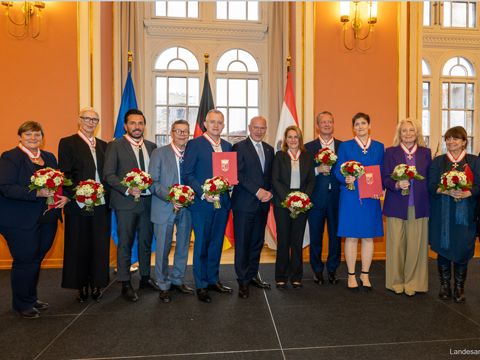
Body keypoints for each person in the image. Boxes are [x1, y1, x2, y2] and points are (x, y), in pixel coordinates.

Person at [0, 121, 69, 318]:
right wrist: (36, 193)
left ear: (42, 137)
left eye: (37, 135)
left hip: (47, 217)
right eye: (28, 134)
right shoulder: (10, 157)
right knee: (25, 260)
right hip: (19, 220)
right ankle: (21, 304)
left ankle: (31, 297)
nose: (33, 138)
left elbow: (57, 183)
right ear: (20, 136)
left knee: (36, 259)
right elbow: (5, 187)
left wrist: (62, 196)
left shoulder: (48, 157)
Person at [104, 109, 157, 302]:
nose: (137, 127)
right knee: (125, 242)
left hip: (148, 202)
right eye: (133, 123)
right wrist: (127, 189)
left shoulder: (152, 147)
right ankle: (125, 282)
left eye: (140, 123)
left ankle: (145, 278)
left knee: (145, 241)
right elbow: (109, 175)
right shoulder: (115, 146)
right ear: (126, 126)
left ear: (144, 125)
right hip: (125, 203)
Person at [58, 108, 111, 303]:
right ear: (79, 120)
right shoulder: (68, 143)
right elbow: (65, 174)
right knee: (78, 245)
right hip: (78, 204)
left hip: (101, 204)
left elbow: (108, 174)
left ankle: (97, 283)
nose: (91, 122)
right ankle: (80, 285)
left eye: (95, 119)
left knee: (99, 245)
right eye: (87, 118)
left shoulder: (105, 146)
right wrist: (79, 194)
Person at [182, 109, 233, 303]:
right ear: (205, 123)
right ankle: (201, 284)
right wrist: (204, 192)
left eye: (220, 122)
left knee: (216, 243)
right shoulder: (195, 144)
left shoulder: (228, 146)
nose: (216, 125)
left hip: (222, 203)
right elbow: (188, 174)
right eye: (213, 122)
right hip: (202, 204)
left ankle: (213, 279)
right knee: (202, 243)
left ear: (223, 125)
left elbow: (230, 174)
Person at [428, 126, 480, 303]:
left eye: (455, 139)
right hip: (443, 215)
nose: (451, 142)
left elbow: (479, 185)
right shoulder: (438, 161)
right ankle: (444, 286)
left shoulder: (474, 161)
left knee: (463, 249)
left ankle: (459, 287)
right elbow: (431, 186)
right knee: (444, 248)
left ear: (464, 141)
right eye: (448, 139)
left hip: (466, 217)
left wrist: (469, 193)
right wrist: (445, 191)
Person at [334, 112, 384, 291]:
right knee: (352, 236)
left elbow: (382, 172)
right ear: (353, 127)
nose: (361, 127)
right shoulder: (345, 146)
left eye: (363, 123)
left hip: (371, 198)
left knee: (369, 236)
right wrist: (344, 178)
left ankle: (365, 274)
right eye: (357, 124)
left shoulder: (379, 146)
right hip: (351, 196)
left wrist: (381, 189)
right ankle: (351, 275)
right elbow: (337, 170)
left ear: (369, 126)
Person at [382, 118, 431, 296]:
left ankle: (413, 283)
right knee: (396, 245)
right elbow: (385, 178)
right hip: (396, 205)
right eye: (404, 131)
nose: (408, 134)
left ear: (417, 133)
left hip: (419, 206)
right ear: (399, 133)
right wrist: (396, 184)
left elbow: (430, 179)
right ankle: (396, 282)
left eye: (411, 130)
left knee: (416, 246)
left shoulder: (426, 153)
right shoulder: (390, 152)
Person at [149, 120, 194, 303]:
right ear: (172, 133)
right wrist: (172, 198)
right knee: (163, 248)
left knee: (183, 245)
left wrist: (186, 198)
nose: (182, 134)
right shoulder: (159, 153)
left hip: (187, 208)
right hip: (164, 206)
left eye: (185, 131)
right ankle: (163, 283)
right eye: (178, 131)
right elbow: (153, 182)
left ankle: (177, 279)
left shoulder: (191, 154)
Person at [232, 116, 274, 298]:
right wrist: (258, 191)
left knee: (257, 243)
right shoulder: (239, 147)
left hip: (263, 205)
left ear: (266, 129)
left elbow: (272, 175)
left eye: (262, 128)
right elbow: (239, 174)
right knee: (243, 243)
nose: (259, 131)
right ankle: (242, 281)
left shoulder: (269, 149)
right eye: (255, 127)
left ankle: (252, 275)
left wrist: (270, 192)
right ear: (249, 128)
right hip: (244, 204)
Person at [272, 125, 315, 289]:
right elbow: (275, 180)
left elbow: (311, 180)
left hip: (302, 202)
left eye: (295, 137)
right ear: (285, 139)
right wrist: (289, 200)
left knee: (296, 241)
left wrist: (303, 198)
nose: (292, 140)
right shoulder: (279, 156)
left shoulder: (307, 157)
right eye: (289, 137)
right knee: (283, 241)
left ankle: (296, 276)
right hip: (282, 203)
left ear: (300, 139)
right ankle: (281, 276)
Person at [304, 111, 342, 285]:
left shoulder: (343, 147)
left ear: (333, 124)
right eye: (323, 122)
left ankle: (333, 269)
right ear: (317, 125)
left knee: (335, 236)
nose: (326, 125)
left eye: (330, 122)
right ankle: (317, 270)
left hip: (337, 199)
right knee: (316, 236)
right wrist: (316, 170)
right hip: (316, 199)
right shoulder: (308, 147)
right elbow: (304, 173)